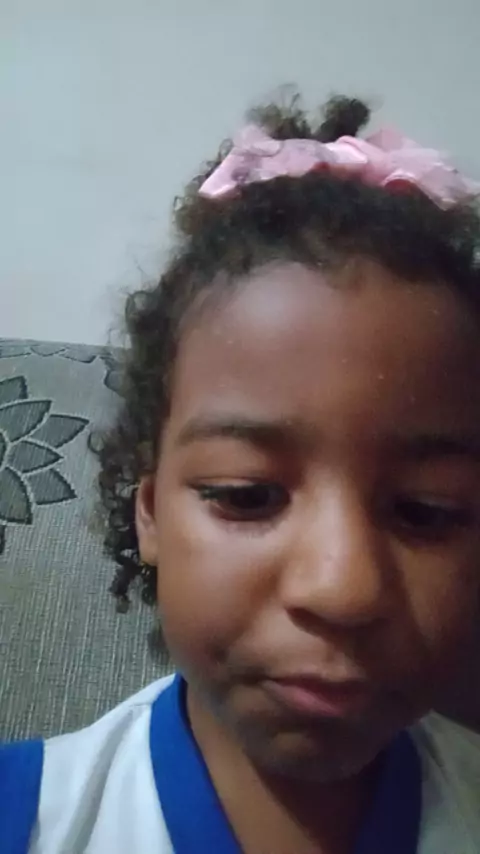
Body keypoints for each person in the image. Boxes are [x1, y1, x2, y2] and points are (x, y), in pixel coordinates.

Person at [2, 93, 480, 854]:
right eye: (247, 496)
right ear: (149, 512)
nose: (343, 588)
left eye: (425, 510)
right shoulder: (28, 816)